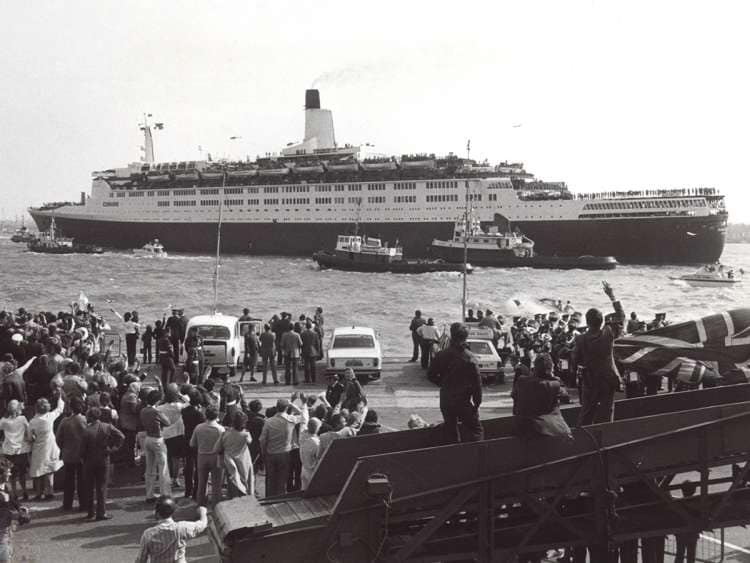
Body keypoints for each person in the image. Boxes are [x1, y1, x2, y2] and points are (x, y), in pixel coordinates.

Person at [573, 282, 625, 426]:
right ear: (601, 321)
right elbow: (621, 316)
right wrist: (612, 295)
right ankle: (605, 439)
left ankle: (582, 441)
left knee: (587, 412)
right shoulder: (607, 333)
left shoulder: (580, 338)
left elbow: (575, 360)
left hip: (589, 379)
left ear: (587, 322)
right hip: (608, 379)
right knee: (607, 411)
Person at [428, 322, 483, 443]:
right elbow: (477, 384)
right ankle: (475, 457)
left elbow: (430, 375)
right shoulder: (470, 358)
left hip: (446, 399)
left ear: (451, 335)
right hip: (463, 400)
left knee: (451, 431)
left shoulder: (441, 355)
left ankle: (455, 456)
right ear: (465, 338)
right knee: (476, 431)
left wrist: (443, 383)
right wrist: (477, 403)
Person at [511, 354, 572, 439]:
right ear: (550, 370)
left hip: (520, 426)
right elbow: (566, 397)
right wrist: (553, 377)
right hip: (541, 429)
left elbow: (514, 395)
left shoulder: (521, 380)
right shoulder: (554, 385)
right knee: (567, 435)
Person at [80, 406, 124, 521]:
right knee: (102, 487)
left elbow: (82, 450)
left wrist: (82, 458)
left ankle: (90, 512)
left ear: (90, 417)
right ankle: (101, 512)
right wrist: (113, 448)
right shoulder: (107, 427)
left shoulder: (86, 431)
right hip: (103, 458)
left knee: (89, 487)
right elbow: (121, 436)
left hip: (89, 461)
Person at [259, 398, 308, 497]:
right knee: (282, 480)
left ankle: (269, 498)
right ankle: (279, 498)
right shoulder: (291, 420)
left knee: (270, 479)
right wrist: (292, 404)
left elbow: (262, 440)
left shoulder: (269, 422)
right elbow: (304, 417)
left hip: (271, 453)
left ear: (277, 407)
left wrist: (263, 452)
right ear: (286, 408)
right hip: (285, 453)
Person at [135, 496, 208, 563]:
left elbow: (141, 560)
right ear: (173, 512)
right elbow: (202, 525)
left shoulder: (148, 534)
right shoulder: (181, 528)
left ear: (157, 513)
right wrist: (203, 512)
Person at [28, 395, 65, 500]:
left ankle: (39, 493)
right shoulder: (49, 417)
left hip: (38, 446)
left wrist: (34, 438)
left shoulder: (32, 422)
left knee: (38, 470)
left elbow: (30, 437)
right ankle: (50, 492)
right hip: (50, 445)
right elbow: (59, 409)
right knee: (49, 470)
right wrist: (60, 397)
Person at [55, 397, 88, 511]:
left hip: (68, 454)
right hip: (82, 454)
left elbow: (58, 438)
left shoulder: (65, 421)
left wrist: (63, 448)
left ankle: (67, 504)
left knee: (68, 480)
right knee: (82, 480)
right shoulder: (85, 420)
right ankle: (83, 504)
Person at [140, 390, 173, 502]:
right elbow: (168, 422)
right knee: (163, 468)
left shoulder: (143, 410)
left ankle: (149, 494)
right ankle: (165, 494)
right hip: (158, 439)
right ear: (157, 401)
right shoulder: (156, 412)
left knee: (149, 468)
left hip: (148, 438)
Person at [212, 410, 254, 498]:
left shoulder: (225, 434)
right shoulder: (246, 434)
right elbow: (250, 441)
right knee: (246, 482)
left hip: (230, 462)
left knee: (232, 484)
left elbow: (215, 449)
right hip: (244, 461)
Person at [190, 405, 224, 506]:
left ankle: (201, 505)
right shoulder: (220, 429)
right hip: (215, 457)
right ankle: (216, 505)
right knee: (216, 484)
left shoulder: (199, 427)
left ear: (206, 415)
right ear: (217, 416)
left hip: (202, 456)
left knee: (202, 483)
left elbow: (192, 443)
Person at [0, 459, 30, 563]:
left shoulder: (5, 486)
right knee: (4, 556)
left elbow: (13, 499)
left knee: (7, 549)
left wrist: (20, 507)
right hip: (1, 531)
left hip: (6, 529)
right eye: (7, 472)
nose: (10, 473)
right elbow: (2, 514)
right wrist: (16, 516)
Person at [0, 401, 30, 501]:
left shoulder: (3, 421)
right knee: (22, 474)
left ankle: (14, 493)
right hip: (21, 449)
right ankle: (25, 491)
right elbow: (28, 431)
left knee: (12, 473)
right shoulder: (23, 419)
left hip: (8, 450)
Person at [181, 390, 205, 501]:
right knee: (197, 466)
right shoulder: (199, 414)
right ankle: (196, 491)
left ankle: (188, 490)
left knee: (188, 465)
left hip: (186, 439)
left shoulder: (184, 411)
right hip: (197, 441)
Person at [119, 381, 142, 467]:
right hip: (129, 423)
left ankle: (128, 461)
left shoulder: (126, 394)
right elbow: (134, 410)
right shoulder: (132, 397)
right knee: (130, 443)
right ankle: (130, 462)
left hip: (125, 421)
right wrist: (140, 403)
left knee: (128, 443)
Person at [299, 417, 322, 490]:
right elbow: (318, 457)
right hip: (312, 471)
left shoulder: (302, 436)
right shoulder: (316, 443)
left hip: (304, 468)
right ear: (317, 428)